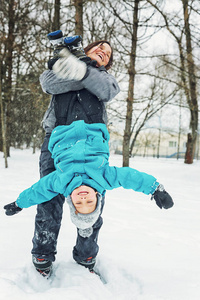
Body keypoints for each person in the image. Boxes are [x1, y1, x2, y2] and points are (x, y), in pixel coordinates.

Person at [8, 38, 120, 278]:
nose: (104, 52)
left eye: (108, 54)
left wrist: (81, 71)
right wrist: (77, 70)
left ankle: (86, 254)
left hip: (93, 147)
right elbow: (49, 83)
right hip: (55, 142)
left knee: (91, 198)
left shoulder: (106, 78)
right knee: (49, 196)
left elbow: (106, 90)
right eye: (100, 47)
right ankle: (43, 253)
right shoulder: (59, 68)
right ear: (87, 49)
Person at [4, 121, 174, 272]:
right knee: (91, 222)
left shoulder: (61, 182)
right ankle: (85, 255)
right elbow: (130, 177)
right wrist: (155, 189)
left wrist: (19, 203)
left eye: (78, 202)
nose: (83, 197)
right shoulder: (105, 178)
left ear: (71, 200)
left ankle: (69, 254)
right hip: (93, 126)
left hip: (62, 132)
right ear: (97, 196)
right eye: (89, 201)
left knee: (49, 208)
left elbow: (38, 191)